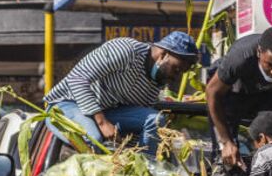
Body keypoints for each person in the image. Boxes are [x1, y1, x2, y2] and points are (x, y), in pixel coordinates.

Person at [42, 32, 199, 154]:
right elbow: (78, 79)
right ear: (163, 55)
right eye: (176, 68)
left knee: (156, 119)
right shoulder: (126, 50)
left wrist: (127, 151)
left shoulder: (156, 81)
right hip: (67, 105)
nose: (177, 76)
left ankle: (144, 173)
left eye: (181, 72)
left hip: (108, 113)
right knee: (93, 138)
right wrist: (102, 123)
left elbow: (138, 129)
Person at [207, 26, 272, 167]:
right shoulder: (240, 57)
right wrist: (226, 142)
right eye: (269, 64)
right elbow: (212, 93)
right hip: (234, 91)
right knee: (225, 155)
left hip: (269, 93)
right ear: (259, 52)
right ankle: (222, 168)